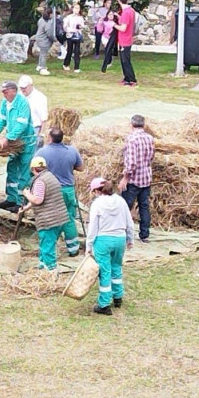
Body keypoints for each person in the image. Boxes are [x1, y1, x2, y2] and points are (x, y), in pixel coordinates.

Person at [86, 178, 135, 315]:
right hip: (120, 239)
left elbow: (93, 226)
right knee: (116, 267)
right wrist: (130, 239)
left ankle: (104, 304)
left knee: (104, 271)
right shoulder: (121, 201)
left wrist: (89, 245)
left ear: (97, 190)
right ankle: (118, 297)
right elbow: (129, 223)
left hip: (103, 240)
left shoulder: (97, 204)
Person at [36, 128, 85, 256]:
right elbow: (80, 167)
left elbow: (35, 168)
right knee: (69, 218)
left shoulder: (42, 152)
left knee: (52, 220)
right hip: (68, 189)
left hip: (51, 190)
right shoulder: (72, 150)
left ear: (50, 138)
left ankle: (50, 249)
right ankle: (73, 249)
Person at [0, 80, 36, 211]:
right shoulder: (5, 103)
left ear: (13, 91)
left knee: (24, 172)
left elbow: (21, 125)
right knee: (11, 168)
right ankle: (11, 198)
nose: (3, 94)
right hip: (14, 144)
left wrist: (7, 138)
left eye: (5, 91)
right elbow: (1, 120)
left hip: (25, 142)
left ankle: (21, 201)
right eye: (2, 92)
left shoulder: (22, 103)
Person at [21, 157, 69, 271]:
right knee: (46, 244)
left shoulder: (40, 181)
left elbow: (38, 200)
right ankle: (42, 266)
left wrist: (26, 193)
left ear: (33, 168)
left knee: (48, 247)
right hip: (59, 218)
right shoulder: (50, 176)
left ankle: (51, 271)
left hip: (49, 220)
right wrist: (26, 208)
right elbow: (44, 197)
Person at [118, 114, 155, 243]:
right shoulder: (149, 138)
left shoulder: (131, 139)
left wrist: (125, 178)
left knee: (125, 207)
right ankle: (144, 235)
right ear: (144, 125)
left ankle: (122, 233)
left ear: (131, 125)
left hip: (134, 179)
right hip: (146, 177)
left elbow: (131, 163)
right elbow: (151, 157)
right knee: (144, 207)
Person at [17, 75, 48, 149]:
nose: (22, 90)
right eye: (21, 88)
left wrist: (41, 135)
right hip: (20, 128)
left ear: (31, 86)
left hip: (34, 130)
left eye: (24, 88)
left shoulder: (39, 98)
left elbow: (44, 119)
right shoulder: (19, 95)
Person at [113, 0, 138, 86]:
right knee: (124, 60)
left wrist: (114, 25)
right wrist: (119, 17)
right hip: (126, 39)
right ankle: (126, 78)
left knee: (125, 61)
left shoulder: (126, 13)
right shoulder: (130, 10)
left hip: (125, 40)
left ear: (119, 1)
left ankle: (132, 79)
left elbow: (123, 28)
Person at [62, 3, 86, 73]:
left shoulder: (80, 17)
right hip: (70, 35)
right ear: (72, 9)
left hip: (77, 36)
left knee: (77, 51)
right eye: (75, 8)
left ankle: (77, 67)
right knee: (69, 50)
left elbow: (82, 26)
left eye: (78, 8)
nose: (77, 10)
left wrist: (81, 27)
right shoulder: (68, 17)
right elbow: (65, 27)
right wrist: (71, 30)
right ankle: (66, 64)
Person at [34, 8, 55, 76]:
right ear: (50, 14)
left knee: (42, 53)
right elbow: (49, 34)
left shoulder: (41, 20)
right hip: (44, 40)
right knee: (44, 54)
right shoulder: (48, 23)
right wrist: (54, 39)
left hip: (38, 38)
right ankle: (43, 69)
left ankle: (39, 65)